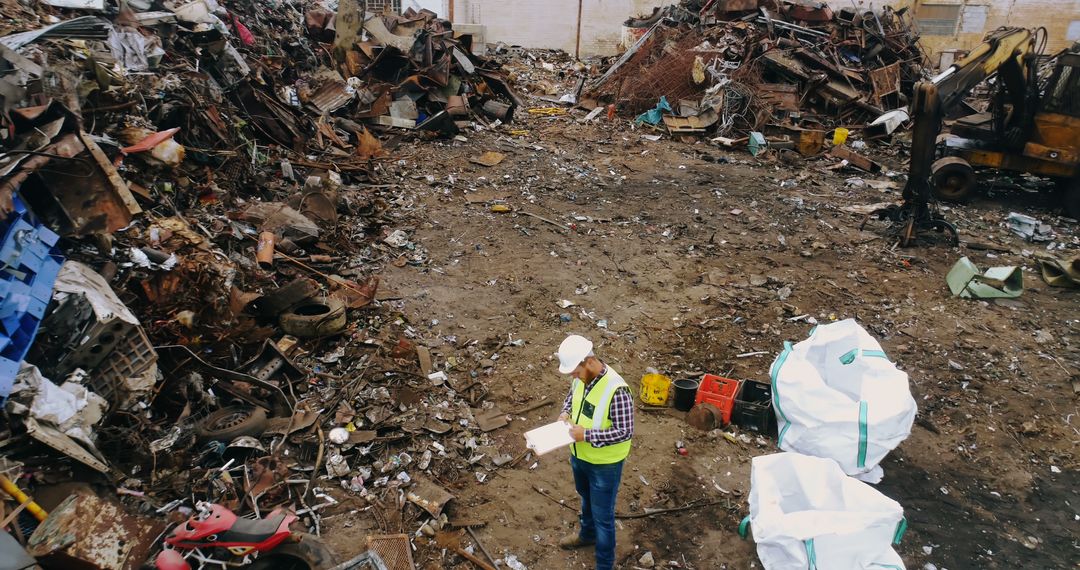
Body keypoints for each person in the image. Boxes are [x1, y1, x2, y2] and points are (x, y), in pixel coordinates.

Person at [554, 334, 634, 570]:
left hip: (604, 465)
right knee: (586, 500)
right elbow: (572, 398)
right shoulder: (581, 378)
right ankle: (586, 535)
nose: (574, 378)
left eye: (576, 372)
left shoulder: (617, 390)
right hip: (580, 457)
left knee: (603, 518)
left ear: (588, 362)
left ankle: (604, 564)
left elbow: (625, 431)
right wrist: (565, 413)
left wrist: (586, 435)